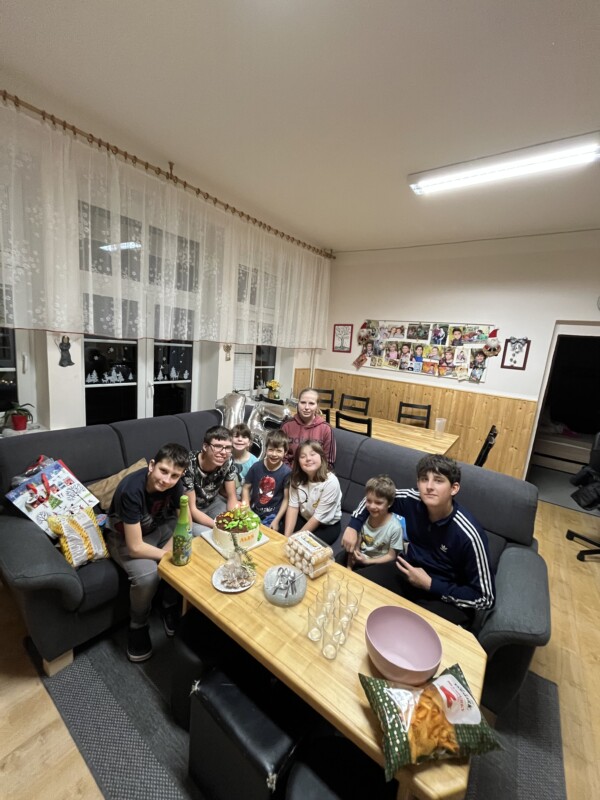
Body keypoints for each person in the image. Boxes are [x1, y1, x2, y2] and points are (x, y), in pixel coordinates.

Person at [341, 454, 495, 628]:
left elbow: (485, 598)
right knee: (356, 589)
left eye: (438, 480)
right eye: (424, 479)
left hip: (443, 594)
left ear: (454, 488)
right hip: (408, 572)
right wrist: (353, 526)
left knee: (407, 629)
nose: (429, 486)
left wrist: (431, 585)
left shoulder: (469, 534)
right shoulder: (412, 500)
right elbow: (374, 496)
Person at [105, 442, 189, 662]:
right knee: (148, 576)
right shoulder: (131, 489)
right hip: (124, 536)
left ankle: (169, 604)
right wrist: (170, 555)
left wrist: (175, 543)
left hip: (157, 527)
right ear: (152, 465)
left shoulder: (175, 484)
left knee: (195, 541)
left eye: (174, 476)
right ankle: (138, 624)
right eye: (163, 471)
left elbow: (185, 520)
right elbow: (135, 547)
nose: (167, 480)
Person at [339, 475, 406, 570]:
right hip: (360, 556)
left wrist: (367, 561)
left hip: (378, 563)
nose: (372, 506)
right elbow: (355, 546)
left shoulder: (395, 528)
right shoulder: (362, 519)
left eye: (378, 503)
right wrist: (349, 567)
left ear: (390, 504)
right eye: (369, 501)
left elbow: (391, 556)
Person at [283, 440, 342, 545]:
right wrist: (286, 537)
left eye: (313, 454)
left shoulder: (331, 482)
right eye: (302, 456)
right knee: (281, 537)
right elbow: (293, 507)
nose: (308, 459)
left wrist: (295, 539)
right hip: (304, 517)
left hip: (326, 525)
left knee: (302, 546)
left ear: (321, 457)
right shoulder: (296, 478)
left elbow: (317, 518)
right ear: (298, 462)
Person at [181, 425, 238, 533]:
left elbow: (232, 496)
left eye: (228, 447)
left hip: (213, 503)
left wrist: (236, 520)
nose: (223, 452)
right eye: (218, 446)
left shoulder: (228, 460)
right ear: (205, 446)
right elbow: (192, 509)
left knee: (236, 525)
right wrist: (218, 527)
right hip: (192, 511)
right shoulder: (188, 465)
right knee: (210, 535)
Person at [242, 429, 291, 531]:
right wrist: (247, 508)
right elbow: (246, 488)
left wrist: (277, 520)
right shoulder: (256, 467)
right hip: (253, 511)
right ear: (266, 449)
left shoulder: (287, 472)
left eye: (279, 451)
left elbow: (286, 499)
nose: (274, 454)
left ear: (285, 452)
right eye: (271, 449)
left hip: (272, 516)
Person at [281, 387, 336, 469]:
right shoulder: (286, 426)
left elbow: (328, 462)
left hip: (316, 474)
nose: (306, 407)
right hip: (290, 473)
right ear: (298, 403)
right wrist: (291, 473)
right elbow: (281, 456)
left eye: (311, 403)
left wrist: (313, 475)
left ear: (317, 406)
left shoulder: (326, 429)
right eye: (303, 402)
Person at [231, 422, 258, 499]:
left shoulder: (255, 462)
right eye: (236, 436)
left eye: (244, 437)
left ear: (249, 442)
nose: (240, 439)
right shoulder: (225, 457)